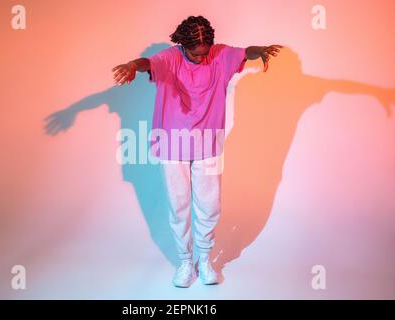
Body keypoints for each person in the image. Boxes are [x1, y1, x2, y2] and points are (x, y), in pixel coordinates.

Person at [112, 15, 282, 287]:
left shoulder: (221, 55)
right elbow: (149, 64)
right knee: (179, 206)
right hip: (173, 142)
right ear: (182, 44)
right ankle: (184, 262)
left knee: (210, 205)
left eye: (205, 52)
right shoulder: (169, 58)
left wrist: (258, 51)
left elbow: (245, 52)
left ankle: (204, 259)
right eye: (195, 52)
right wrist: (133, 64)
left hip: (208, 143)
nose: (202, 57)